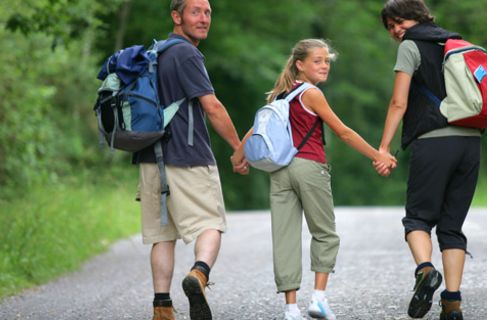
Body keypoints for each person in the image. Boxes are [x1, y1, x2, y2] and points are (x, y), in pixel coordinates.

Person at [231, 39, 397, 320]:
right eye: (317, 61)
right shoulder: (312, 94)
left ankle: (290, 309)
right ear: (300, 64)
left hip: (280, 172)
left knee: (284, 237)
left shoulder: (280, 94)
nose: (324, 66)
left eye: (326, 61)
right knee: (324, 233)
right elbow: (343, 132)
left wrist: (238, 156)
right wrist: (377, 155)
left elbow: (256, 128)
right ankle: (318, 299)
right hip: (309, 167)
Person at [133, 1, 249, 319]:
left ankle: (162, 308)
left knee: (162, 236)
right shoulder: (187, 53)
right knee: (211, 223)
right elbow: (211, 106)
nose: (204, 18)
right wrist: (239, 147)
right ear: (176, 16)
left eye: (208, 12)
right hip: (188, 156)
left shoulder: (153, 53)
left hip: (148, 157)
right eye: (195, 11)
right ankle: (198, 274)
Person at [374, 1, 482, 319]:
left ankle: (425, 271)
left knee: (418, 219)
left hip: (433, 141)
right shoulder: (455, 43)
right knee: (452, 226)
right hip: (471, 142)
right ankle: (452, 303)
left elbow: (398, 102)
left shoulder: (411, 45)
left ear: (418, 17)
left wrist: (384, 147)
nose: (395, 29)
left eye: (399, 21)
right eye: (389, 26)